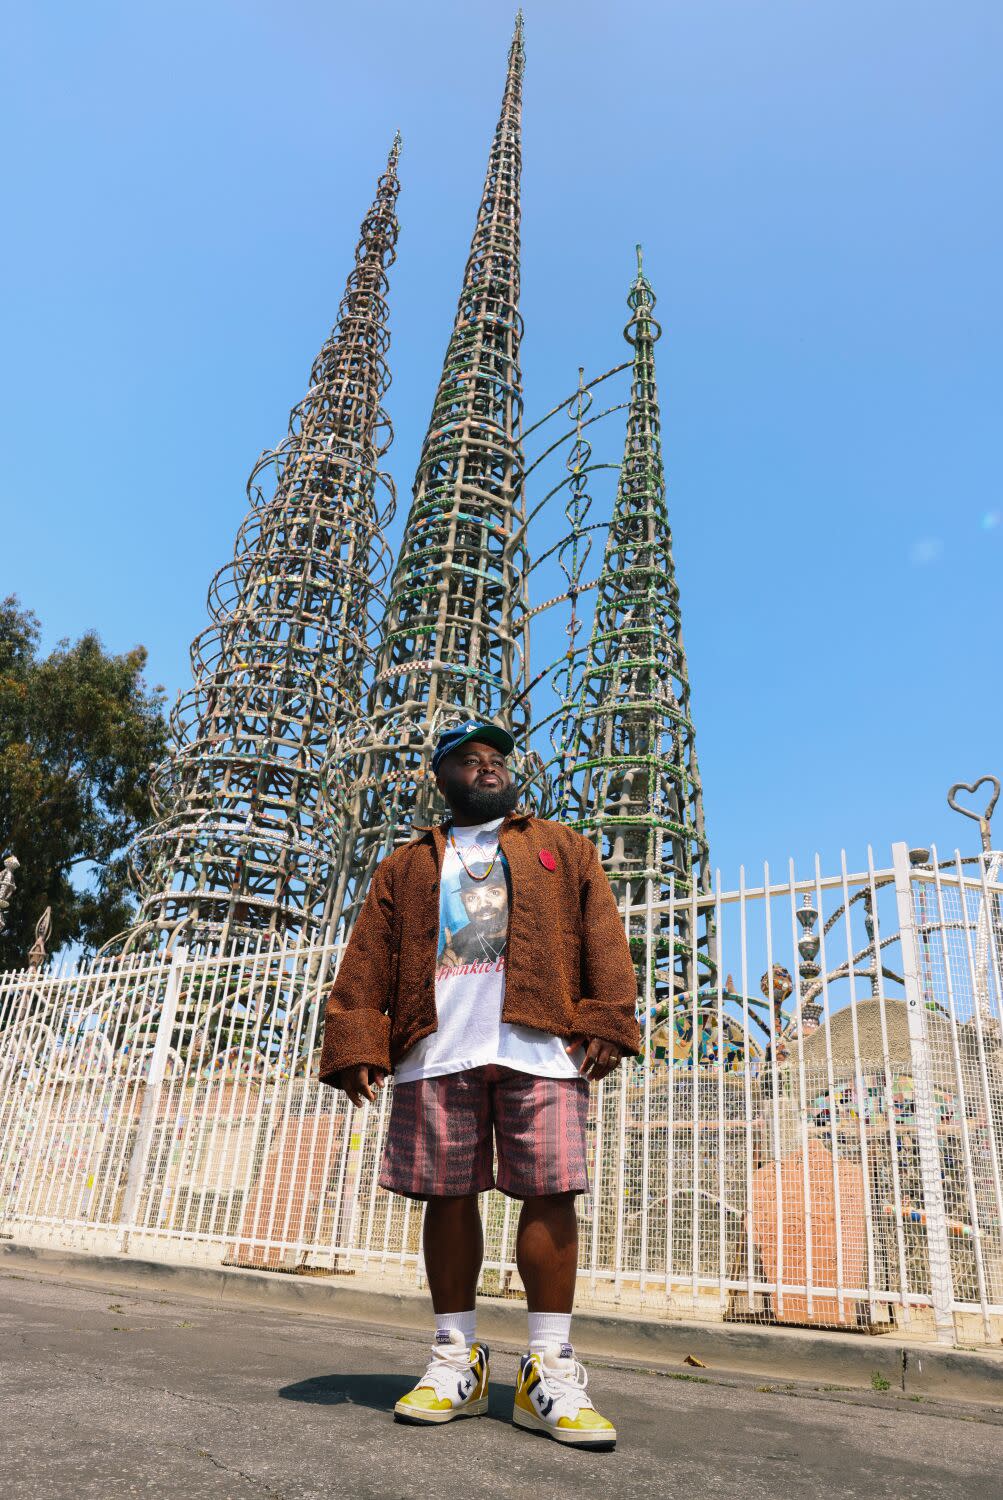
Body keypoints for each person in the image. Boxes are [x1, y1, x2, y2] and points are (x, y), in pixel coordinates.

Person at [319, 720, 640, 1450]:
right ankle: (452, 1359)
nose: (488, 767)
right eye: (470, 760)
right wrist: (356, 1037)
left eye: (496, 758)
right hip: (436, 1047)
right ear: (440, 778)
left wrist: (608, 1017)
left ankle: (549, 1371)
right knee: (446, 1195)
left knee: (552, 1192)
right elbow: (367, 953)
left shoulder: (563, 847)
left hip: (541, 1043)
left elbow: (603, 934)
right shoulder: (405, 865)